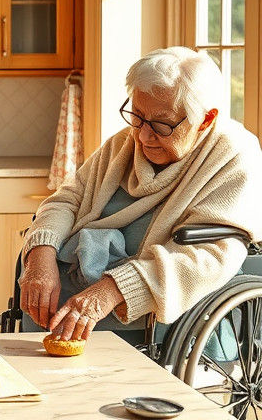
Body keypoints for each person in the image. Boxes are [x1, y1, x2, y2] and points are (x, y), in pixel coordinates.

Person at [20, 46, 262, 342]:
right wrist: (40, 256)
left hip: (149, 315)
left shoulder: (233, 156)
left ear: (206, 119)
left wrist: (112, 289)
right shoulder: (123, 143)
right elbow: (66, 199)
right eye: (137, 116)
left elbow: (210, 255)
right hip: (73, 287)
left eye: (162, 124)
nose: (144, 136)